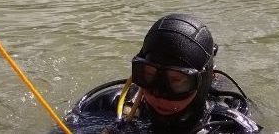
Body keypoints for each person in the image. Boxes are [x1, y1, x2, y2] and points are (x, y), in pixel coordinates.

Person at [63, 14, 262, 134]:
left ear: (202, 81)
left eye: (176, 81)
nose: (158, 93)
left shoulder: (230, 126)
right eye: (148, 76)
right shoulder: (106, 106)